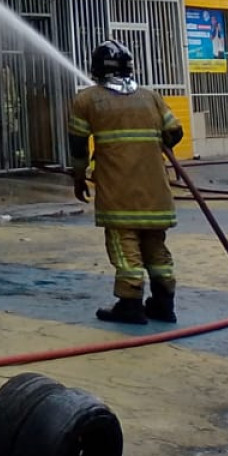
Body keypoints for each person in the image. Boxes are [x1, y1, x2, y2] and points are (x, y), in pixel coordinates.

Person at [68, 39, 184, 325]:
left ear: (96, 68)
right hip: (156, 192)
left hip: (118, 192)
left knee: (125, 246)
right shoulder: (151, 97)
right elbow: (175, 132)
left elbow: (79, 147)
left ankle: (130, 304)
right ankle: (163, 304)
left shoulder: (87, 100)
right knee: (156, 248)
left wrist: (79, 176)